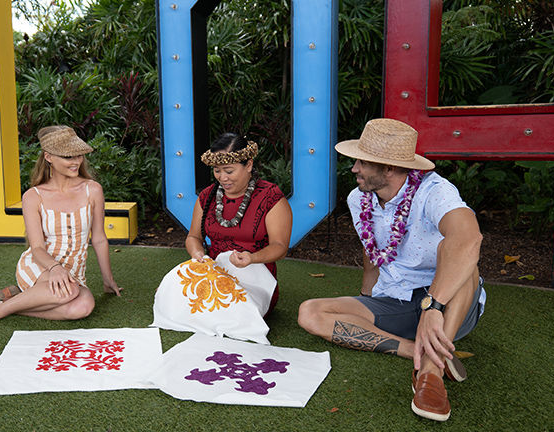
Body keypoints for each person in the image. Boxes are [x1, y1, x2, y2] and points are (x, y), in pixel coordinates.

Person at [297, 118, 486, 422]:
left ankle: (431, 371)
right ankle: (417, 350)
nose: (354, 168)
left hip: (448, 304)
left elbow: (469, 238)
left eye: (362, 161)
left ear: (388, 168)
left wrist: (433, 306)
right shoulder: (358, 198)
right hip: (394, 300)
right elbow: (371, 251)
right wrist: (364, 300)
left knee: (461, 257)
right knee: (310, 313)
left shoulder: (434, 191)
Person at [0, 126, 121, 329]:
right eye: (68, 157)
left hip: (74, 273)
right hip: (39, 266)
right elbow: (37, 247)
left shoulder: (92, 190)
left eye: (79, 156)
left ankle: (11, 301)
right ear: (49, 157)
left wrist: (107, 278)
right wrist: (55, 268)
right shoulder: (33, 196)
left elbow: (99, 238)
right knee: (70, 292)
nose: (76, 162)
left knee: (83, 307)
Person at [185, 133, 292, 314]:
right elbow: (194, 236)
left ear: (248, 165)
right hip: (215, 274)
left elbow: (279, 246)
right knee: (178, 299)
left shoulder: (271, 197)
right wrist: (197, 254)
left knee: (232, 311)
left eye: (229, 171)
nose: (222, 178)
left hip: (256, 279)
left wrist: (252, 258)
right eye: (217, 170)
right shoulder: (207, 196)